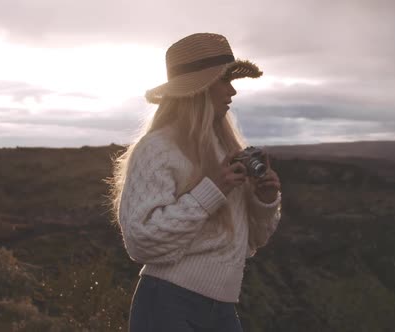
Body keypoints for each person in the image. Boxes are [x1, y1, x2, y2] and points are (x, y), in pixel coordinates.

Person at [107, 33, 282, 332]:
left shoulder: (225, 148)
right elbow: (140, 240)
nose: (232, 91)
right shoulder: (156, 148)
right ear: (200, 88)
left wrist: (265, 201)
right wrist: (212, 190)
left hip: (222, 309)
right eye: (224, 80)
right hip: (167, 305)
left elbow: (250, 242)